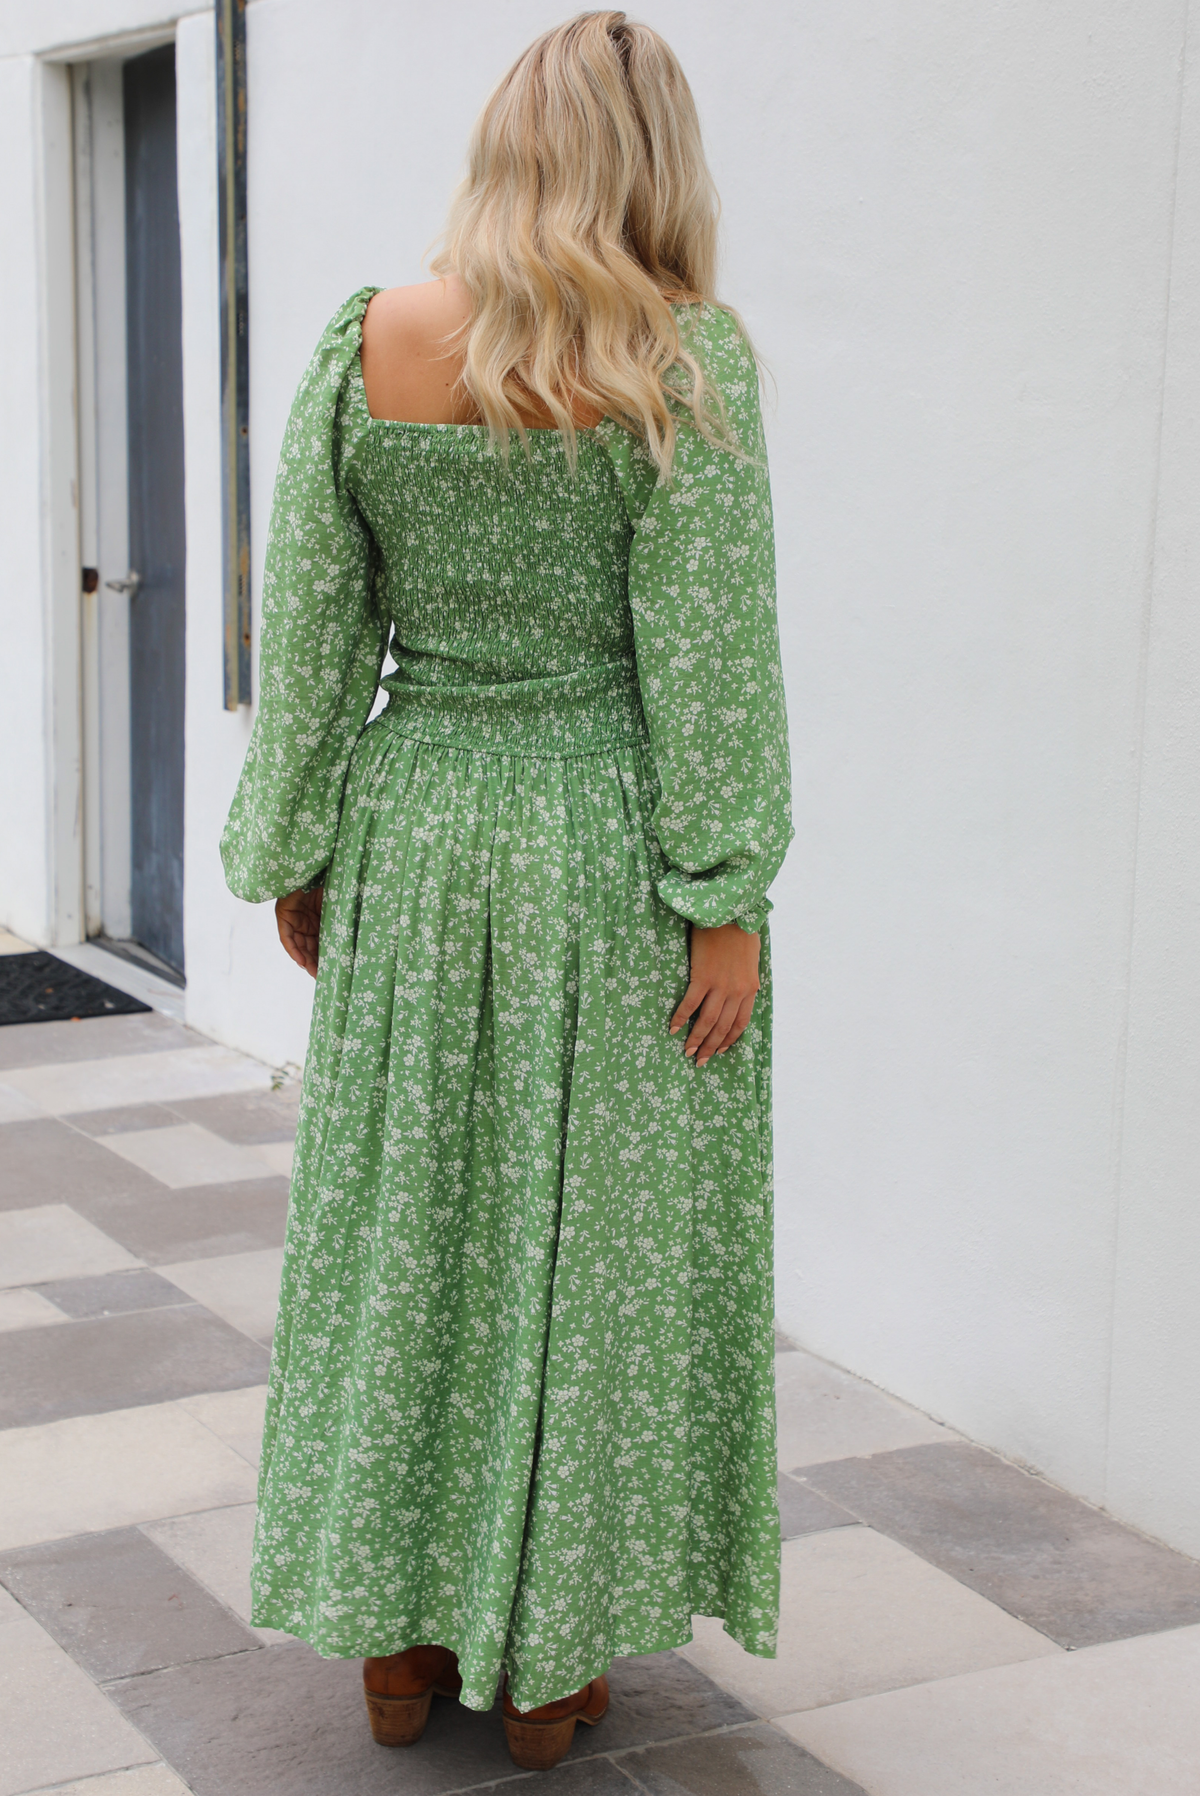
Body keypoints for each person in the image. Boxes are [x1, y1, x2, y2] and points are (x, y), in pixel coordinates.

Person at [221, 9, 792, 1773]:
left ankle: (397, 1655)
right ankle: (544, 1676)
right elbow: (709, 661)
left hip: (416, 829)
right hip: (605, 850)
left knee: (410, 1234)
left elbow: (312, 632)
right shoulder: (684, 357)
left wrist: (300, 847)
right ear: (655, 161)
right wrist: (727, 894)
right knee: (590, 1256)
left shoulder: (365, 341)